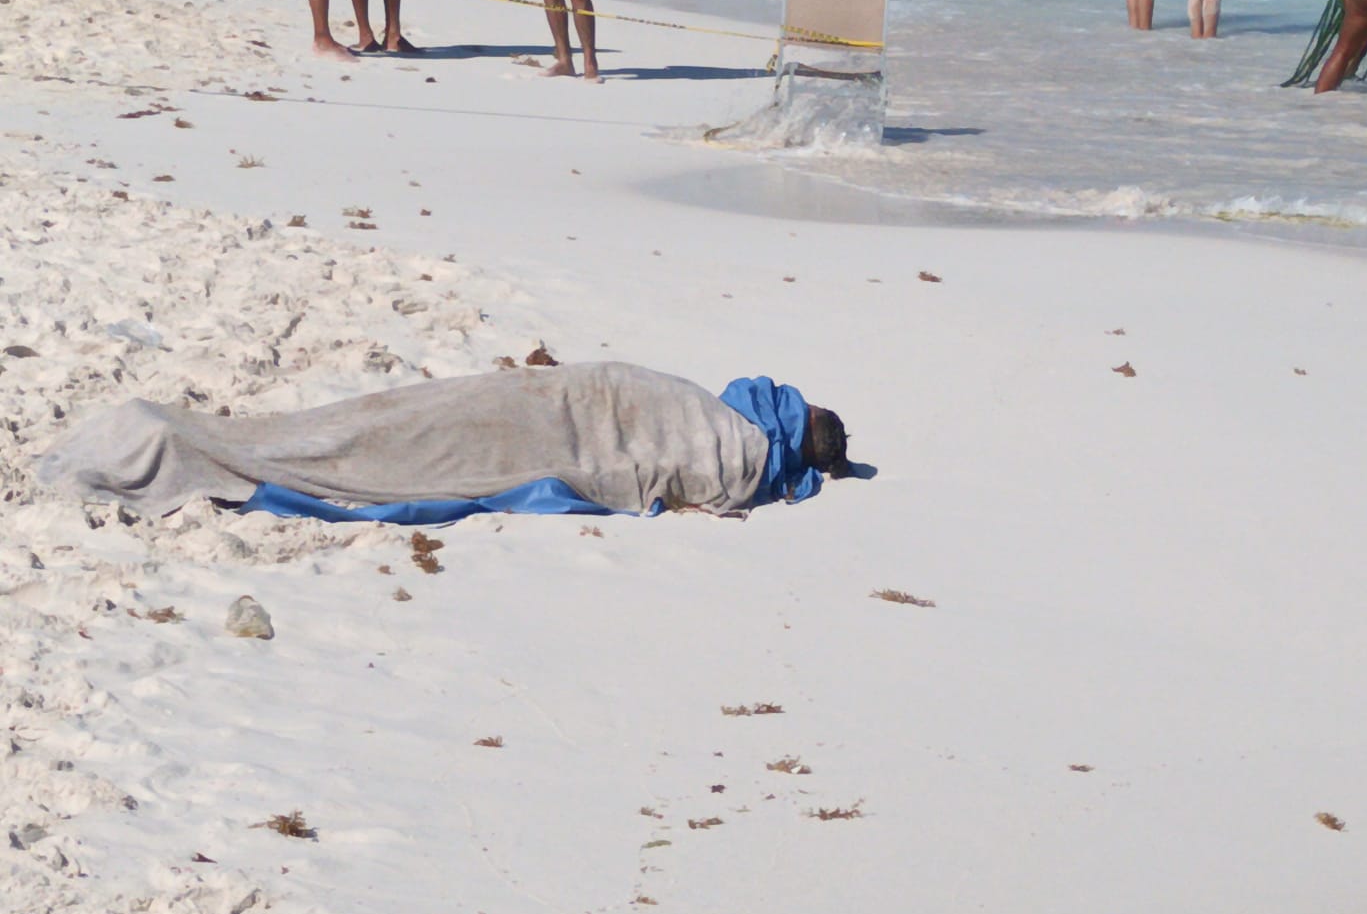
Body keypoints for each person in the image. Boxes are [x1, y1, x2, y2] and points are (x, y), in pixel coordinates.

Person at [36, 363, 855, 522]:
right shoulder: (742, 459)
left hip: (573, 403)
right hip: (586, 401)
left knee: (405, 436)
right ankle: (179, 441)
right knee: (405, 429)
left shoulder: (728, 423)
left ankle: (183, 443)